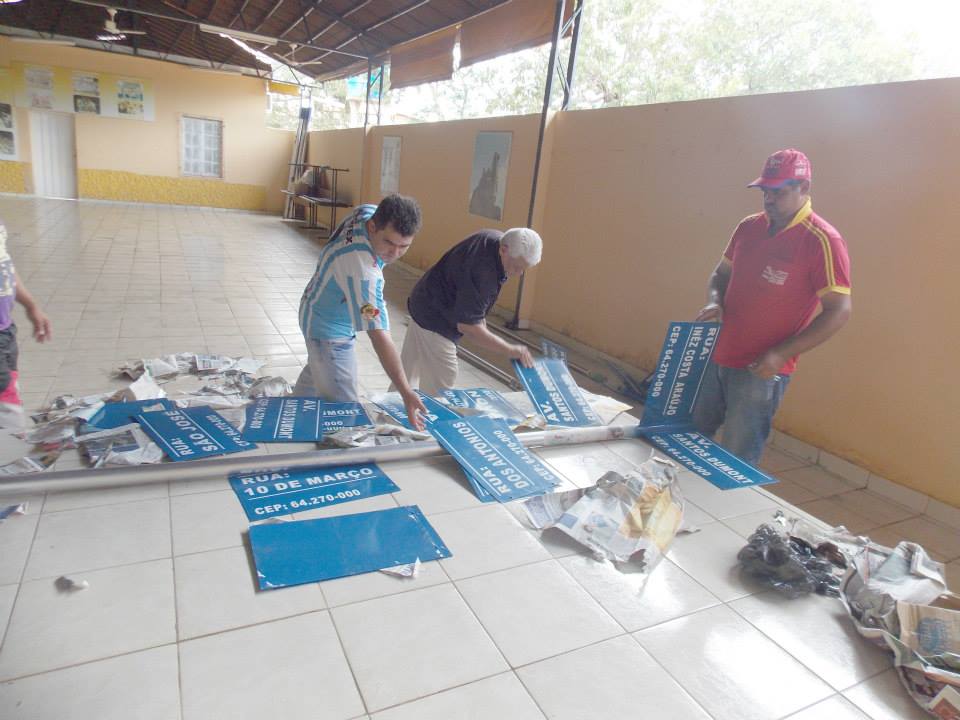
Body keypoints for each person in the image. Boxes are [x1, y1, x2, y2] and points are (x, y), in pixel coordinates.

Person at [692, 148, 851, 465]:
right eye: (765, 191)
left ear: (803, 188)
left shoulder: (822, 240)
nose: (769, 199)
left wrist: (780, 354)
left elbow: (839, 311)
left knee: (736, 458)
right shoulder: (748, 227)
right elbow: (721, 274)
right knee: (690, 436)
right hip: (718, 352)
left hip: (761, 368)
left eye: (778, 192)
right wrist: (714, 301)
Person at [293, 194, 428, 430]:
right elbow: (379, 336)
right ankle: (334, 447)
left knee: (319, 370)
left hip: (315, 304)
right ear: (373, 227)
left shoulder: (367, 212)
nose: (394, 253)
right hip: (327, 330)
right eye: (389, 243)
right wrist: (406, 391)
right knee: (345, 412)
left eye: (404, 246)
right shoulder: (363, 271)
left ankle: (290, 419)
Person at [400, 227, 542, 394]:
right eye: (517, 267)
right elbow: (469, 328)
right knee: (441, 386)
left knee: (406, 375)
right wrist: (509, 350)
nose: (519, 273)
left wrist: (480, 324)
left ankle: (393, 405)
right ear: (504, 250)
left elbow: (473, 309)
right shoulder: (484, 274)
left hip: (423, 300)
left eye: (523, 269)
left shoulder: (493, 238)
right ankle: (427, 409)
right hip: (435, 319)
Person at [0, 223, 52, 428]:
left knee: (9, 389)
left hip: (6, 330)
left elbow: (5, 265)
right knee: (6, 403)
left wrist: (31, 305)